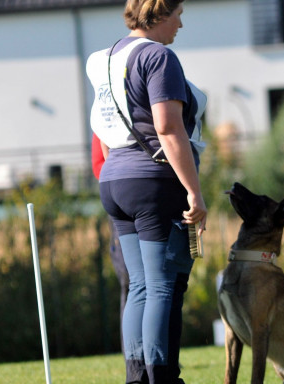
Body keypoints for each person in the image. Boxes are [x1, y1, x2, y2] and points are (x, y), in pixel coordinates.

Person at [86, 0, 208, 382]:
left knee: (138, 286)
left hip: (114, 179)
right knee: (161, 285)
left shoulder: (104, 58)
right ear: (161, 14)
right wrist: (194, 192)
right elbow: (168, 129)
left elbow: (103, 129)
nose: (181, 25)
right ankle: (161, 376)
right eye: (178, 15)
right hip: (153, 182)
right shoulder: (158, 57)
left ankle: (137, 376)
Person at [91, 132, 130, 355]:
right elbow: (98, 164)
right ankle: (133, 353)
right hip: (120, 207)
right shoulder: (103, 120)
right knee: (129, 283)